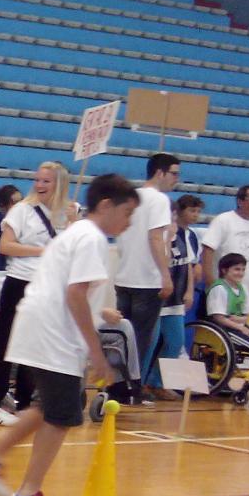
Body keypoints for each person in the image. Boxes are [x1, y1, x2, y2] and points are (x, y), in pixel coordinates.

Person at [0, 175, 142, 496]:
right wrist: (97, 353)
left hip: (37, 326)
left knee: (47, 407)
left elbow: (71, 289)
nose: (129, 221)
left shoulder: (76, 232)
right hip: (54, 334)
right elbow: (75, 294)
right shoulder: (91, 237)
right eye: (127, 212)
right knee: (61, 415)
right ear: (106, 205)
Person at [0, 163, 70, 426]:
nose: (40, 185)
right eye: (38, 180)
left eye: (47, 181)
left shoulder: (67, 214)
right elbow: (5, 246)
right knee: (6, 343)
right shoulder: (22, 210)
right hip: (20, 282)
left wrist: (74, 222)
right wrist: (42, 251)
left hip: (48, 285)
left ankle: (23, 403)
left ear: (59, 184)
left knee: (33, 348)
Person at [113, 153, 179, 406]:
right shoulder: (159, 200)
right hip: (146, 280)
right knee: (139, 339)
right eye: (174, 173)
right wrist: (165, 275)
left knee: (121, 337)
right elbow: (155, 238)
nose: (176, 179)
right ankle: (130, 389)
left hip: (124, 277)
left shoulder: (131, 196)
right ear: (160, 172)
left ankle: (117, 385)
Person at [147, 194, 204, 400]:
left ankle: (157, 382)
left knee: (176, 341)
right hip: (157, 296)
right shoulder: (155, 237)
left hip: (175, 298)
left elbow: (187, 264)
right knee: (150, 343)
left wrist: (189, 291)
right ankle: (140, 384)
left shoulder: (186, 235)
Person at [201, 183, 249, 320]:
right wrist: (210, 281)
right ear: (240, 201)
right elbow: (208, 249)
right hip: (225, 289)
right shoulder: (223, 220)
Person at [206, 252, 249, 349]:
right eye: (237, 269)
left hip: (238, 326)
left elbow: (247, 314)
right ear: (224, 270)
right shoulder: (219, 288)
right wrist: (241, 327)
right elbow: (218, 318)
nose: (241, 273)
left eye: (243, 270)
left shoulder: (243, 288)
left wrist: (240, 320)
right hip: (223, 329)